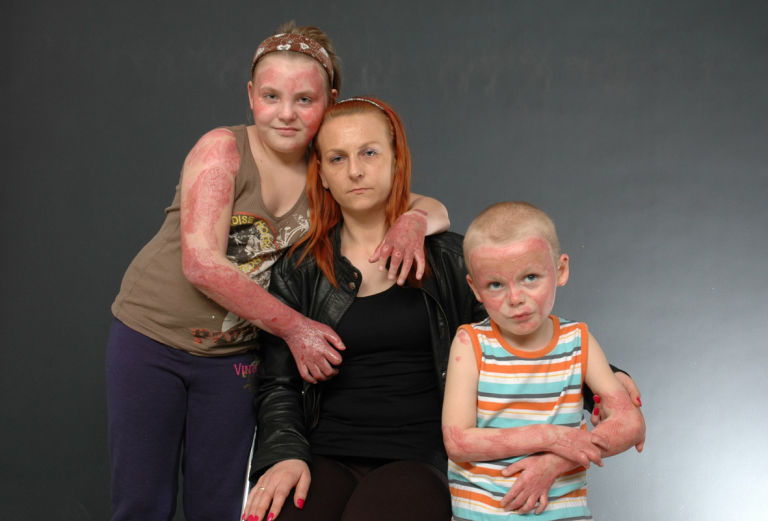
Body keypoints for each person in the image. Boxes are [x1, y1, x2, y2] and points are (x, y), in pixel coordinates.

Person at [106, 23, 450, 521]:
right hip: (153, 338)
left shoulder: (328, 169)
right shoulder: (223, 149)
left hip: (235, 354)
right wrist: (295, 327)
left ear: (330, 101)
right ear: (251, 96)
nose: (286, 113)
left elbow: (415, 201)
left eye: (304, 100)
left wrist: (414, 221)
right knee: (142, 499)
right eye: (271, 96)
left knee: (217, 502)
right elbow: (201, 264)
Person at [241, 96, 487, 521]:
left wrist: (597, 384)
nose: (355, 171)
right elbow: (277, 383)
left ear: (396, 161)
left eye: (369, 153)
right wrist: (284, 454)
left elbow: (516, 338)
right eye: (338, 158)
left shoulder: (451, 258)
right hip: (323, 453)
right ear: (322, 175)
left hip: (419, 457)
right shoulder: (299, 270)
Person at [442, 201, 646, 520]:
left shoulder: (578, 340)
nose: (515, 298)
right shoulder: (470, 343)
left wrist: (554, 462)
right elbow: (458, 441)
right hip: (482, 513)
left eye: (530, 277)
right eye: (495, 284)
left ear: (560, 270)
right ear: (475, 289)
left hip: (563, 512)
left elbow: (630, 423)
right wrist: (549, 436)